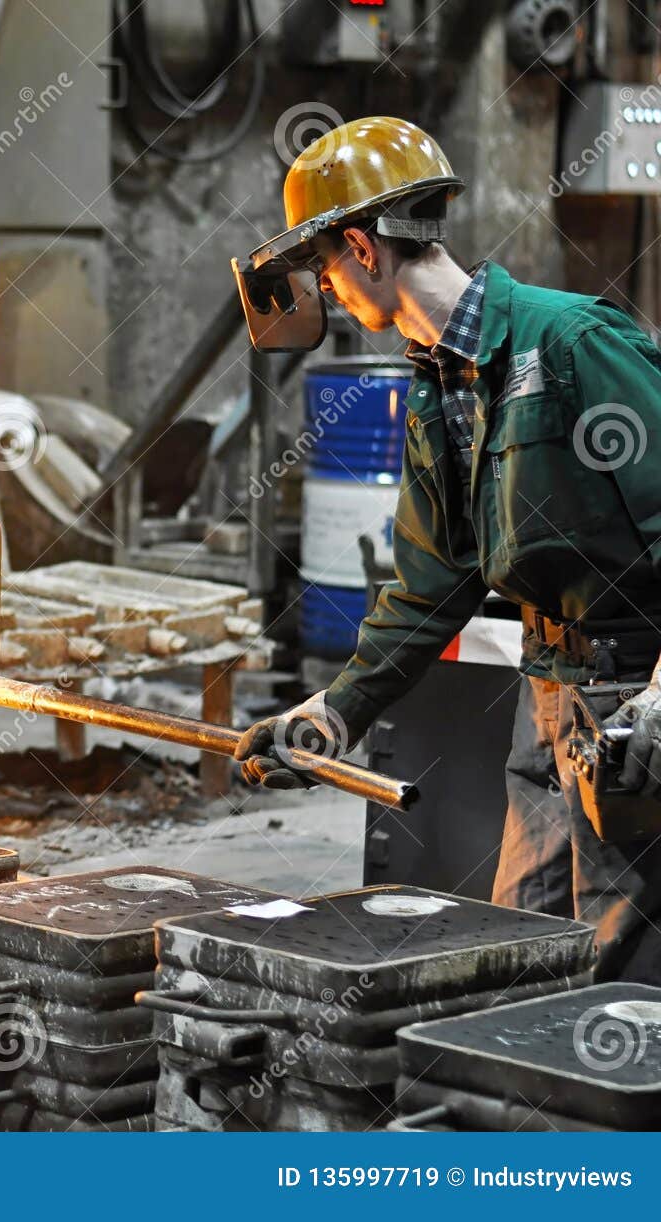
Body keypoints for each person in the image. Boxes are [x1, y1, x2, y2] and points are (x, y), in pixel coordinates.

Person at [233, 115, 661, 982]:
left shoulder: (574, 345)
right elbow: (429, 584)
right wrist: (335, 712)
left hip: (632, 703)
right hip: (548, 703)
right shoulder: (439, 384)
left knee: (610, 974)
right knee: (514, 953)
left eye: (322, 267)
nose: (327, 290)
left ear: (361, 246)